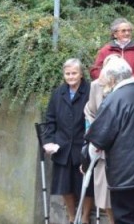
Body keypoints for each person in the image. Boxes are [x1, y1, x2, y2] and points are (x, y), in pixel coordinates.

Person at [85, 56, 134, 224]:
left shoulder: (113, 100)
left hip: (124, 174)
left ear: (112, 79)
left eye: (104, 82)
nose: (103, 86)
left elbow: (99, 139)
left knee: (125, 218)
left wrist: (85, 162)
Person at [43, 58, 93, 224]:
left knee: (86, 185)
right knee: (65, 185)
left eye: (74, 73)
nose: (71, 77)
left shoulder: (90, 90)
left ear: (81, 74)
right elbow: (50, 119)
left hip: (83, 144)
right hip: (62, 146)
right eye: (67, 73)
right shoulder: (58, 92)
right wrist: (48, 140)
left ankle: (85, 217)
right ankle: (72, 217)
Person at [84, 54, 120, 224]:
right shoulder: (96, 86)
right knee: (104, 194)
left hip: (121, 148)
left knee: (119, 193)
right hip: (101, 147)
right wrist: (96, 134)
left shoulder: (127, 86)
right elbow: (90, 111)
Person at [90, 18, 134, 86]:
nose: (127, 33)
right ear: (115, 34)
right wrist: (109, 79)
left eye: (129, 31)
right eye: (123, 31)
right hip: (112, 89)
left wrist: (133, 79)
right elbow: (95, 71)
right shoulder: (106, 50)